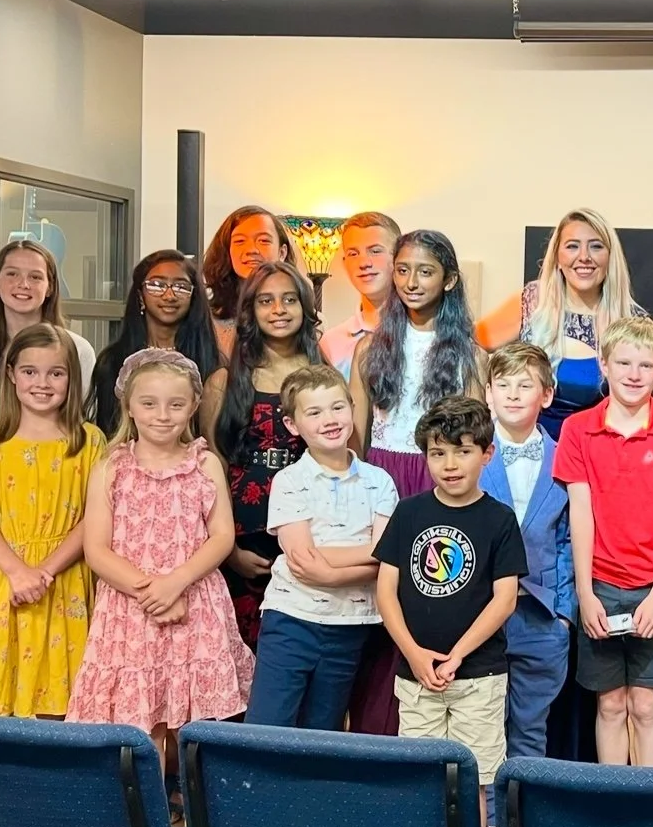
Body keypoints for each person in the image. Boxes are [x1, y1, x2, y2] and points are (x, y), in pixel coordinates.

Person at [69, 349, 254, 762]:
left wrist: (176, 583)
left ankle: (189, 793)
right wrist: (153, 592)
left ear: (193, 406)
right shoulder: (111, 468)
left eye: (175, 404)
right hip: (131, 609)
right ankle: (148, 794)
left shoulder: (205, 464)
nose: (162, 415)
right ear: (130, 407)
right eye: (149, 403)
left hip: (195, 600)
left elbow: (222, 536)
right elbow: (96, 549)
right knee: (142, 717)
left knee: (192, 720)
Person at [349, 229, 485, 734]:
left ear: (448, 280)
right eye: (403, 270)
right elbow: (355, 433)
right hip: (381, 476)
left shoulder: (469, 354)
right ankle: (376, 736)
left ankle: (428, 728)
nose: (411, 281)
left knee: (428, 596)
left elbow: (472, 436)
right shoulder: (370, 349)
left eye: (425, 271)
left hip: (435, 479)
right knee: (377, 600)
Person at [554, 316, 653, 767]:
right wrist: (585, 594)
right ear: (604, 365)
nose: (634, 374)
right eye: (623, 363)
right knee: (610, 704)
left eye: (645, 365)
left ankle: (648, 796)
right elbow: (580, 515)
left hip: (652, 586)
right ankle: (611, 796)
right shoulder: (578, 429)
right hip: (600, 585)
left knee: (645, 703)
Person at [375, 395, 527, 827]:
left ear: (486, 454)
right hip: (416, 675)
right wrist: (414, 653)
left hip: (478, 676)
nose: (450, 464)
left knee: (474, 779)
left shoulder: (499, 519)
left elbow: (505, 600)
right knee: (423, 778)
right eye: (438, 453)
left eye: (462, 451)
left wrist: (457, 654)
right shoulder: (409, 512)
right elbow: (385, 591)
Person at [0, 323, 107, 717]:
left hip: (63, 578)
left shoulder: (89, 440)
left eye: (56, 373)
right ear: (10, 374)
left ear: (72, 378)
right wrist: (17, 571)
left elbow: (93, 518)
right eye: (29, 371)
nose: (42, 383)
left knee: (61, 699)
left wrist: (43, 572)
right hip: (1, 577)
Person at [246, 364, 399, 730]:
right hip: (292, 619)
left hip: (351, 624)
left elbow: (387, 561)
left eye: (337, 407)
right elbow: (303, 560)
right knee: (266, 728)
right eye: (314, 412)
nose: (329, 420)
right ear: (292, 425)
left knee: (323, 731)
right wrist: (373, 553)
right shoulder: (289, 480)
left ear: (352, 408)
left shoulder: (379, 482)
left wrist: (330, 567)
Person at [477, 208, 653, 437]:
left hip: (598, 452)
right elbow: (468, 345)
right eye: (572, 246)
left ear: (610, 257)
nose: (584, 256)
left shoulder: (631, 321)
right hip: (532, 450)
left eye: (596, 246)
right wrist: (480, 418)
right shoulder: (532, 302)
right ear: (557, 257)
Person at [203, 258, 323, 648]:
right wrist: (229, 551)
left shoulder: (324, 378)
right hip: (242, 535)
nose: (278, 309)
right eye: (266, 301)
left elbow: (340, 461)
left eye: (289, 299)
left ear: (304, 306)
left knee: (300, 650)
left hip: (310, 533)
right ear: (250, 311)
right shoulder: (224, 381)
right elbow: (213, 469)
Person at [478, 342, 571, 787]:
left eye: (525, 385)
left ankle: (522, 815)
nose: (513, 395)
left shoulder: (565, 458)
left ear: (546, 396)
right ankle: (488, 818)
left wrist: (565, 614)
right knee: (482, 730)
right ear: (488, 393)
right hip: (480, 615)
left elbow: (570, 541)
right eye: (503, 385)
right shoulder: (470, 458)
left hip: (541, 615)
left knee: (531, 731)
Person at [90, 250, 220, 436]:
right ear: (140, 295)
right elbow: (108, 431)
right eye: (157, 285)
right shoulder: (113, 361)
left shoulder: (211, 362)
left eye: (181, 287)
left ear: (193, 297)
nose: (169, 295)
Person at [0, 240, 97, 397]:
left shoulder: (78, 349)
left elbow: (85, 410)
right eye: (12, 274)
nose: (24, 284)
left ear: (50, 287)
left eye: (35, 277)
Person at [202, 204, 298, 359]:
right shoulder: (207, 319)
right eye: (240, 241)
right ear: (227, 251)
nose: (251, 250)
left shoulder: (306, 319)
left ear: (282, 252)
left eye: (263, 240)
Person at [320, 211, 400, 376]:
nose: (364, 263)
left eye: (375, 251)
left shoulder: (422, 331)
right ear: (345, 264)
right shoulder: (331, 343)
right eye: (353, 254)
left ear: (398, 257)